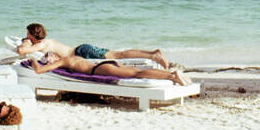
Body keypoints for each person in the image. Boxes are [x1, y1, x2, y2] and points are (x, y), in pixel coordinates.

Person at [15, 23, 170, 68]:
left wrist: (25, 42)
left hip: (82, 53)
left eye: (28, 34)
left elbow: (22, 51)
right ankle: (152, 53)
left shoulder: (42, 44)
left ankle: (153, 56)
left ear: (32, 35)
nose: (26, 36)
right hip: (82, 50)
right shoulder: (48, 41)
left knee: (119, 55)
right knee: (118, 54)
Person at [30, 51, 193, 86]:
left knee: (137, 73)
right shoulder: (72, 57)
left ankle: (172, 76)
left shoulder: (63, 61)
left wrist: (34, 61)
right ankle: (170, 74)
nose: (48, 58)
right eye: (46, 57)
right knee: (136, 72)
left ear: (56, 57)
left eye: (49, 55)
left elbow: (39, 71)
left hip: (100, 70)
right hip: (106, 65)